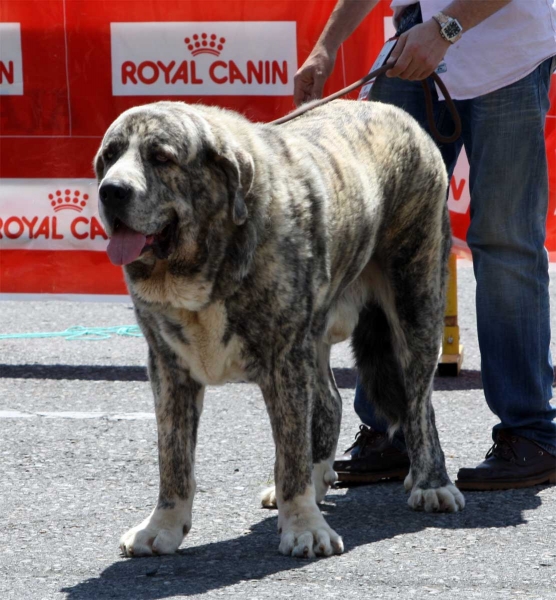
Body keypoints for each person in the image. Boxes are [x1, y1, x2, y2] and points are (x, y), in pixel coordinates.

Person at [294, 0, 556, 490]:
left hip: (505, 47)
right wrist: (325, 49)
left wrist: (445, 28)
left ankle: (531, 434)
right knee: (382, 246)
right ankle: (391, 431)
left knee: (505, 244)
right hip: (414, 41)